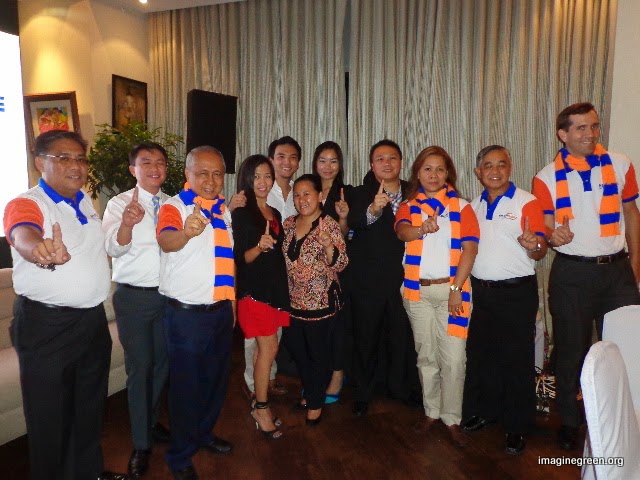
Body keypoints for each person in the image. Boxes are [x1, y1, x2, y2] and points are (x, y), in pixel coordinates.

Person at [2, 130, 127, 479]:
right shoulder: (28, 202)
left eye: (81, 158)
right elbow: (22, 231)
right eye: (64, 158)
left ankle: (88, 473)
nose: (76, 165)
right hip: (47, 327)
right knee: (49, 421)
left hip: (91, 322)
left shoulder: (84, 201)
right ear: (40, 163)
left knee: (89, 410)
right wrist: (38, 248)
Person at [532, 102, 640, 450]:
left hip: (618, 272)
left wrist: (635, 264)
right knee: (570, 350)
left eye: (594, 126)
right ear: (562, 134)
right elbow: (545, 226)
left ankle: (628, 416)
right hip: (572, 273)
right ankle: (569, 420)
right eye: (581, 128)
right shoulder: (546, 176)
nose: (590, 133)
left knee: (625, 348)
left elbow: (631, 213)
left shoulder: (621, 164)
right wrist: (553, 236)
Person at [462, 145, 547, 455]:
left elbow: (540, 250)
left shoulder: (527, 201)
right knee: (483, 354)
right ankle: (487, 412)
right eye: (488, 165)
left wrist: (533, 244)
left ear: (509, 168)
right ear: (478, 172)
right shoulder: (472, 207)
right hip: (481, 291)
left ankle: (517, 426)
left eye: (501, 164)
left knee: (516, 359)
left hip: (516, 292)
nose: (495, 170)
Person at [156, 146, 235, 480]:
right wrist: (186, 232)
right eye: (202, 173)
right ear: (187, 174)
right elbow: (166, 240)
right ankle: (180, 456)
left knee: (215, 383)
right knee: (186, 389)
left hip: (220, 311)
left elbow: (226, 263)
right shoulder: (174, 206)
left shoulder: (223, 211)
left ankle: (203, 434)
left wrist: (231, 308)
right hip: (186, 317)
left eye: (217, 173)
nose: (211, 180)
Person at [395, 146, 479, 447]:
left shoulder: (463, 207)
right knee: (426, 355)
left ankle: (452, 417)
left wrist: (456, 290)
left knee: (454, 358)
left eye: (440, 169)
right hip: (416, 292)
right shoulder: (408, 206)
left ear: (448, 174)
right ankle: (431, 411)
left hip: (454, 293)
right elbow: (402, 233)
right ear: (418, 173)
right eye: (427, 169)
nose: (433, 174)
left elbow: (470, 250)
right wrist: (421, 229)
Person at [102, 141, 172, 477]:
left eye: (160, 162)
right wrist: (128, 224)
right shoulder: (119, 203)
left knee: (162, 366)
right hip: (134, 299)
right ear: (134, 170)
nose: (155, 168)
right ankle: (141, 444)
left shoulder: (174, 203)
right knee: (140, 369)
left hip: (168, 297)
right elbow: (112, 248)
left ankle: (151, 423)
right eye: (147, 162)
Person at [347, 139, 420, 417]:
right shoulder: (359, 193)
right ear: (371, 164)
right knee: (366, 338)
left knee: (402, 337)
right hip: (369, 280)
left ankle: (401, 389)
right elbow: (353, 223)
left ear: (401, 162)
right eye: (380, 159)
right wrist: (374, 210)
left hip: (406, 277)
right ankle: (363, 393)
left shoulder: (415, 192)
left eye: (392, 158)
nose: (387, 163)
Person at [232, 155, 290, 439]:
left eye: (267, 175)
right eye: (256, 176)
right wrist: (259, 246)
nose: (263, 182)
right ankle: (262, 408)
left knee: (262, 351)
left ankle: (259, 402)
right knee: (269, 349)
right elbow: (240, 258)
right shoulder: (242, 212)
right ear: (247, 179)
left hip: (275, 291)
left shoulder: (274, 213)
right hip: (254, 293)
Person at [282, 174, 348, 425]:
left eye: (307, 193)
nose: (302, 199)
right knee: (299, 352)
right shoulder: (289, 223)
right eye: (297, 195)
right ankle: (311, 391)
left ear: (320, 196)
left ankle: (316, 401)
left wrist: (329, 246)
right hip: (293, 302)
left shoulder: (328, 225)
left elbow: (342, 263)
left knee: (318, 355)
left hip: (321, 302)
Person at [242, 136, 300, 399]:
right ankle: (255, 390)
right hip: (256, 286)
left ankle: (266, 382)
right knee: (259, 342)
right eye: (281, 156)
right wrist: (259, 247)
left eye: (293, 157)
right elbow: (241, 254)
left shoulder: (289, 200)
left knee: (271, 341)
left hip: (279, 281)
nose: (287, 162)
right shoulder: (247, 203)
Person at [312, 141, 351, 403]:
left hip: (336, 269)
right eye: (323, 160)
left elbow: (345, 236)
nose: (328, 166)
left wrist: (343, 217)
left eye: (333, 161)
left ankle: (338, 375)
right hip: (310, 272)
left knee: (337, 325)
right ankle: (318, 375)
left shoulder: (345, 193)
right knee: (316, 327)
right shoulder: (307, 189)